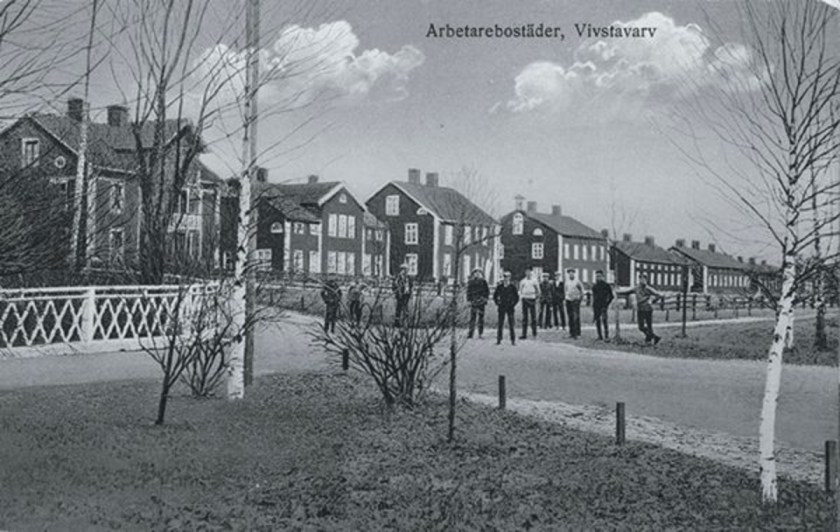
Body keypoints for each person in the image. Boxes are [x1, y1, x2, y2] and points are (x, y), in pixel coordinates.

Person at [617, 273, 664, 345]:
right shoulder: (636, 288)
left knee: (649, 326)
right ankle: (655, 337)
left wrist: (652, 301)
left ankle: (649, 340)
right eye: (641, 279)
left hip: (648, 309)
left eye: (644, 279)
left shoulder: (649, 289)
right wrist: (618, 291)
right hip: (640, 309)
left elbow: (659, 295)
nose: (642, 280)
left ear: (646, 280)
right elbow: (627, 292)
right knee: (641, 327)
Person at [493, 270, 519, 345]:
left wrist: (513, 304)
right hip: (501, 307)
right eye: (504, 276)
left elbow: (516, 297)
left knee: (511, 324)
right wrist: (498, 303)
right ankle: (499, 339)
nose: (506, 278)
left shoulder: (512, 287)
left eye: (507, 277)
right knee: (500, 323)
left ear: (510, 278)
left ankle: (513, 340)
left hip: (510, 308)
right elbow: (495, 296)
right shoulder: (500, 287)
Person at [466, 268, 490, 339]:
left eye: (479, 273)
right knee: (472, 318)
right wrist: (469, 300)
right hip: (474, 301)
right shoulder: (471, 282)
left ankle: (480, 333)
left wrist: (484, 299)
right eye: (475, 273)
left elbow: (487, 291)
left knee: (481, 318)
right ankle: (470, 333)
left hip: (481, 302)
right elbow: (469, 292)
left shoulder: (483, 282)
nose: (477, 274)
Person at [591, 270, 614, 341]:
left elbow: (611, 296)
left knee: (604, 320)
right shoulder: (594, 286)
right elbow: (594, 297)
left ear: (603, 277)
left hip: (603, 306)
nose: (598, 278)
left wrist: (607, 304)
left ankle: (606, 336)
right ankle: (599, 336)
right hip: (596, 306)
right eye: (597, 276)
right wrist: (593, 305)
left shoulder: (606, 286)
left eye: (599, 276)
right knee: (597, 321)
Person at [518, 268, 541, 339]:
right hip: (525, 299)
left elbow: (538, 291)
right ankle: (524, 334)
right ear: (525, 273)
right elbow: (520, 291)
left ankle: (534, 333)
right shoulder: (522, 281)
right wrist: (521, 297)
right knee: (525, 317)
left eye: (529, 272)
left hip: (532, 299)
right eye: (526, 272)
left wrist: (536, 299)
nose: (528, 273)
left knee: (533, 317)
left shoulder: (534, 281)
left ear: (531, 272)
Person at [564, 268, 584, 339]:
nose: (571, 274)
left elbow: (582, 291)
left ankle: (577, 333)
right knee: (570, 317)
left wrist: (579, 299)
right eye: (569, 273)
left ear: (574, 273)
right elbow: (566, 290)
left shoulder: (577, 282)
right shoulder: (567, 282)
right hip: (568, 300)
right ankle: (571, 333)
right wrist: (566, 298)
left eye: (572, 273)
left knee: (576, 317)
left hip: (575, 300)